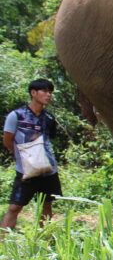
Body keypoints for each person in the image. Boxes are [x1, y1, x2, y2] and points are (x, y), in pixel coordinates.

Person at [2, 79, 62, 230]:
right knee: (15, 207)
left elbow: (49, 141)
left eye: (50, 92)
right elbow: (7, 140)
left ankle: (45, 242)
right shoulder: (16, 115)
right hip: (26, 171)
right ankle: (2, 246)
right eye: (45, 91)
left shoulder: (49, 118)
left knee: (47, 205)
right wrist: (21, 158)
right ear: (33, 93)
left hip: (48, 170)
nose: (48, 95)